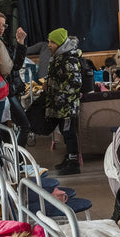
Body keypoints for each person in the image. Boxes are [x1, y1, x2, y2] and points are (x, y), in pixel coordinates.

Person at [40, 27, 82, 175]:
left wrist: (52, 85)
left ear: (60, 43)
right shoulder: (59, 57)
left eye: (52, 42)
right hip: (60, 104)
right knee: (65, 133)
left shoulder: (69, 59)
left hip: (67, 105)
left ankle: (74, 163)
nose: (49, 45)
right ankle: (69, 159)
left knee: (69, 133)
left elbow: (75, 84)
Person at [0, 11, 30, 147]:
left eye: (4, 25)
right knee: (23, 125)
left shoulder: (1, 42)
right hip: (4, 91)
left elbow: (15, 65)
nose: (2, 28)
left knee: (6, 128)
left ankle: (12, 160)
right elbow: (12, 67)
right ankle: (16, 160)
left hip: (9, 89)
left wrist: (20, 43)